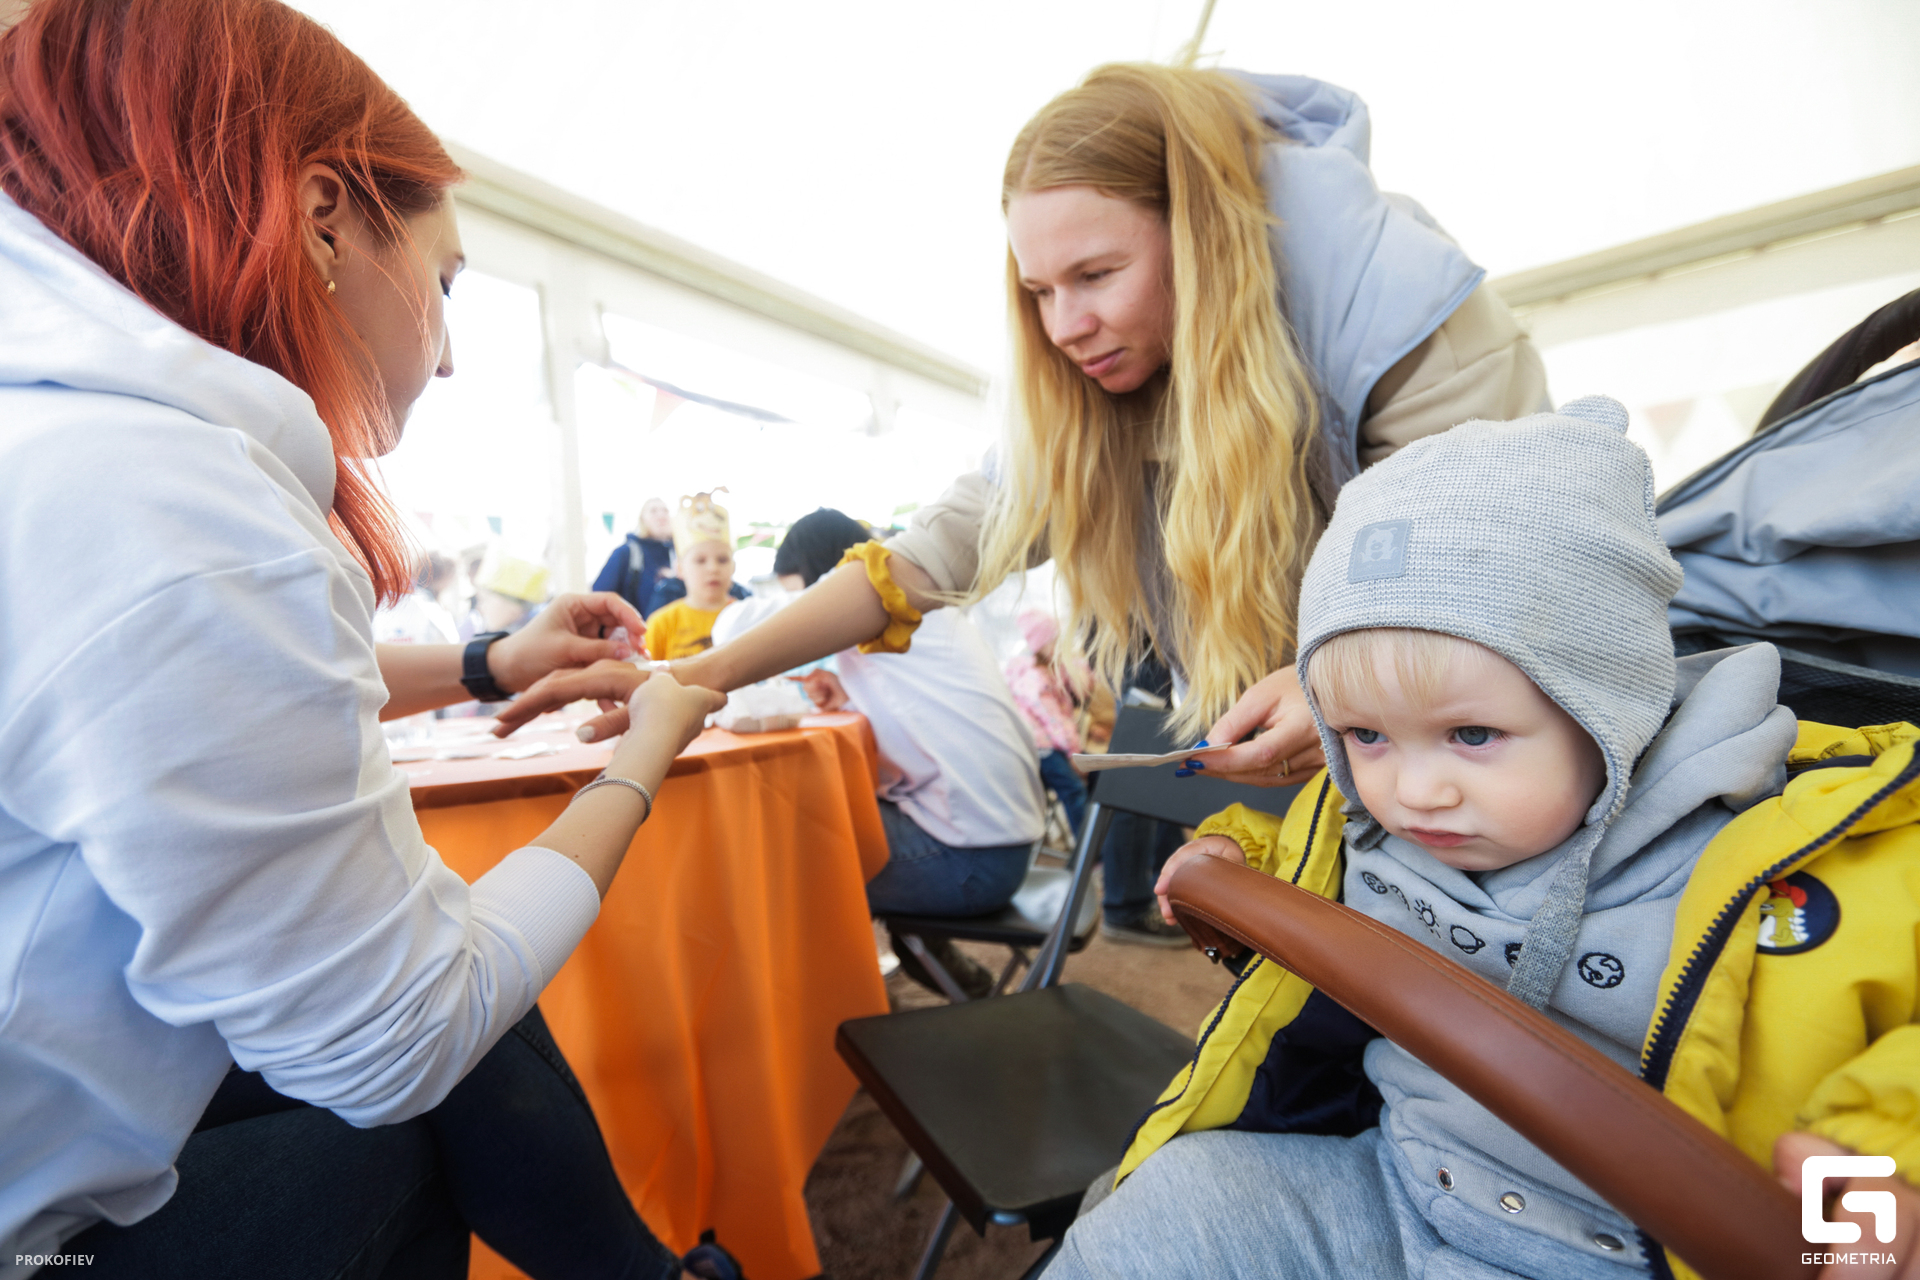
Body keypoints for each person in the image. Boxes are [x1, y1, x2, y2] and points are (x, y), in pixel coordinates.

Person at [0, 3, 734, 1277]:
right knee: (424, 1077)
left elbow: (184, 702)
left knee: (435, 974)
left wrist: (489, 663)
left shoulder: (72, 442)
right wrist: (642, 755)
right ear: (324, 217)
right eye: (446, 284)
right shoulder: (174, 503)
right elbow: (404, 1033)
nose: (446, 359)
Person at [498, 63, 1547, 808]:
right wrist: (699, 675)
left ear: (1204, 237)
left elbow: (1490, 577)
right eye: (1040, 290)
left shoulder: (1401, 315)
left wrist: (1333, 689)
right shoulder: (1106, 385)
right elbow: (926, 556)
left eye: (1097, 274)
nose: (1064, 326)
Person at [1045, 399, 1920, 1280]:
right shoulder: (1373, 819)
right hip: (1397, 1184)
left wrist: (1886, 1161)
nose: (1413, 792)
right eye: (1365, 736)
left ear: (1608, 705)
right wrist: (1233, 859)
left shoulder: (1814, 854)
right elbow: (1310, 855)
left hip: (1626, 1255)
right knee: (1169, 1207)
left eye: (1471, 735)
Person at [728, 508, 1047, 1001]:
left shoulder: (880, 595)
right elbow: (927, 721)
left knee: (783, 851)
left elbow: (734, 626)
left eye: (802, 592)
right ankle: (937, 971)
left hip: (970, 861)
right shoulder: (929, 609)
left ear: (826, 580)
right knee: (832, 821)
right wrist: (848, 693)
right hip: (1008, 840)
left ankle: (844, 1008)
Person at [1004, 610, 1090, 841]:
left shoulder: (1050, 670)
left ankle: (1101, 838)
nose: (1060, 646)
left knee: (1099, 776)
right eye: (1054, 641)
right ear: (1040, 645)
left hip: (1051, 744)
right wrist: (1074, 753)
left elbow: (1083, 685)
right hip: (1041, 748)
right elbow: (1054, 722)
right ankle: (1090, 852)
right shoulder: (1034, 678)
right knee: (1074, 789)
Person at [642, 491, 743, 661]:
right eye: (700, 560)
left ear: (733, 567)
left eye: (722, 560)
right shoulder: (661, 624)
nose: (713, 568)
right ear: (680, 569)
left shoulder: (747, 617)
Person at [593, 496, 678, 618]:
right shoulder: (626, 553)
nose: (661, 516)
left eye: (665, 510)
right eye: (653, 511)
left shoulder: (680, 555)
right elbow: (599, 598)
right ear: (642, 519)